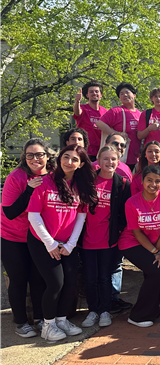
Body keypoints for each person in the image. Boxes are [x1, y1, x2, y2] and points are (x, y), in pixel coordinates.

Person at [27, 145, 98, 342]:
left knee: (70, 282)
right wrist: (49, 243)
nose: (69, 162)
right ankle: (48, 326)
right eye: (66, 157)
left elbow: (81, 217)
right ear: (59, 158)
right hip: (41, 240)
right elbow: (33, 215)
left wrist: (70, 245)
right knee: (55, 283)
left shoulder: (81, 185)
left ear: (81, 164)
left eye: (74, 159)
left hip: (66, 243)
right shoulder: (45, 182)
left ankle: (61, 319)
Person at [0, 139, 55, 337]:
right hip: (12, 237)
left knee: (39, 278)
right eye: (30, 155)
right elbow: (10, 212)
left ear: (47, 156)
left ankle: (40, 319)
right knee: (18, 279)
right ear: (24, 157)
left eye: (39, 154)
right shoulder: (16, 177)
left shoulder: (52, 176)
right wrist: (29, 190)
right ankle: (21, 322)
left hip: (37, 236)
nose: (35, 159)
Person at [118, 165, 160, 327]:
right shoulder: (132, 202)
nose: (153, 184)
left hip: (153, 244)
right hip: (131, 243)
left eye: (157, 181)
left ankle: (153, 310)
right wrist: (154, 252)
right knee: (156, 272)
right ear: (142, 181)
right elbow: (136, 232)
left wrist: (157, 251)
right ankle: (138, 316)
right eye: (149, 180)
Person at [80, 146, 131, 328]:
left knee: (104, 277)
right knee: (90, 278)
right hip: (87, 239)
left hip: (108, 240)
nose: (109, 163)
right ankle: (93, 311)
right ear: (98, 162)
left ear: (118, 162)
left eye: (113, 159)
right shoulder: (88, 181)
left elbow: (126, 212)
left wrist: (119, 231)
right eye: (105, 159)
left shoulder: (123, 184)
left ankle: (105, 311)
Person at [97, 82, 142, 171]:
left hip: (134, 157)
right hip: (118, 156)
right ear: (120, 98)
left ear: (134, 95)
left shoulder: (140, 114)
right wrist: (116, 134)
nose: (124, 95)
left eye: (127, 92)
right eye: (121, 94)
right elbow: (99, 123)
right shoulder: (116, 111)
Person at [73, 81, 108, 161]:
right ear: (87, 95)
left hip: (101, 150)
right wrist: (77, 101)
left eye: (96, 91)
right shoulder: (83, 108)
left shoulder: (105, 112)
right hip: (86, 151)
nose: (94, 93)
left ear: (101, 95)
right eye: (91, 92)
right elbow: (77, 112)